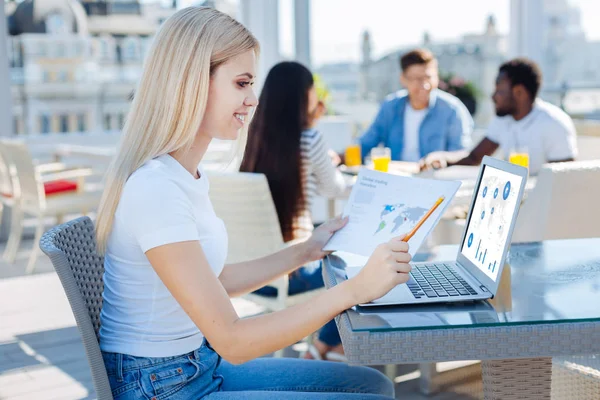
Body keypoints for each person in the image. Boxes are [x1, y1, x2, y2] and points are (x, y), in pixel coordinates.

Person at [95, 7, 411, 400]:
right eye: (242, 83)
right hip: (164, 385)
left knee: (372, 385)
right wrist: (353, 291)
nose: (253, 99)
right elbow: (233, 340)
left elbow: (216, 281)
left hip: (194, 365)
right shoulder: (155, 189)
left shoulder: (183, 175)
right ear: (192, 83)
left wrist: (307, 250)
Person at [240, 61, 347, 362]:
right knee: (355, 268)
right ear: (305, 96)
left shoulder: (252, 138)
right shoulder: (309, 138)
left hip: (252, 273)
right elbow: (334, 189)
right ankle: (325, 346)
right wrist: (327, 157)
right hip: (292, 272)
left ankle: (321, 347)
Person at [420, 58, 578, 175]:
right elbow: (474, 158)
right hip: (516, 200)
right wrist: (442, 158)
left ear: (519, 93)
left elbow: (563, 180)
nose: (493, 96)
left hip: (542, 207)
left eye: (499, 90)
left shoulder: (554, 123)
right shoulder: (503, 120)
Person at [358, 48, 473, 163]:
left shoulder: (452, 109)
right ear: (403, 79)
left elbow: (463, 153)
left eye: (428, 77)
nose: (425, 85)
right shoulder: (390, 106)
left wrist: (442, 157)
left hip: (435, 178)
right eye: (417, 79)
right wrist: (341, 157)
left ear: (437, 77)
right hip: (396, 177)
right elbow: (366, 143)